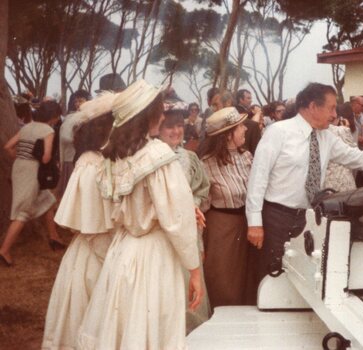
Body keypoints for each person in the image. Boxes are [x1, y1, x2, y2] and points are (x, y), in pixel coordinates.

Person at [77, 80, 203, 349]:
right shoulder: (157, 154)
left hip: (123, 251)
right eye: (158, 110)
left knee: (125, 325)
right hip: (154, 253)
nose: (161, 115)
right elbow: (176, 219)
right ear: (146, 115)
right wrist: (193, 269)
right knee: (153, 326)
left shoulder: (114, 155)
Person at [246, 83, 363, 279]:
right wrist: (254, 223)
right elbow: (258, 178)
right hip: (276, 219)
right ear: (313, 106)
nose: (334, 114)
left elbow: (357, 157)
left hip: (307, 217)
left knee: (301, 276)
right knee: (273, 276)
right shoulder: (278, 132)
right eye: (331, 108)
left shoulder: (326, 137)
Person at [42, 93, 116, 350]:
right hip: (94, 259)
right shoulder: (89, 166)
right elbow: (91, 228)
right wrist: (113, 262)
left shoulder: (105, 162)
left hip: (105, 253)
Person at [158, 108, 211, 333]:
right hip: (162, 229)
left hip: (189, 225)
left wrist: (193, 204)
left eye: (179, 126)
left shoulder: (190, 157)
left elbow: (202, 188)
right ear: (158, 129)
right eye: (170, 126)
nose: (176, 131)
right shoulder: (152, 157)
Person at [200, 106, 259, 308]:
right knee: (224, 283)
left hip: (248, 227)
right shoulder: (206, 164)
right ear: (227, 135)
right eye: (240, 126)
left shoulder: (247, 157)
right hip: (222, 230)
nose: (245, 129)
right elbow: (200, 206)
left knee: (247, 282)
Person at [0, 101, 65, 267]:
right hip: (32, 170)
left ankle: (54, 238)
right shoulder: (48, 130)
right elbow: (46, 157)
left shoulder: (27, 127)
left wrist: (22, 158)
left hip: (19, 167)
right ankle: (4, 250)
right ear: (53, 116)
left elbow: (8, 147)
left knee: (47, 200)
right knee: (23, 211)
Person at [235, 89, 262, 155]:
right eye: (248, 98)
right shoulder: (236, 110)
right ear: (241, 99)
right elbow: (251, 125)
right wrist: (256, 113)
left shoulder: (247, 111)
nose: (251, 100)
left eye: (251, 98)